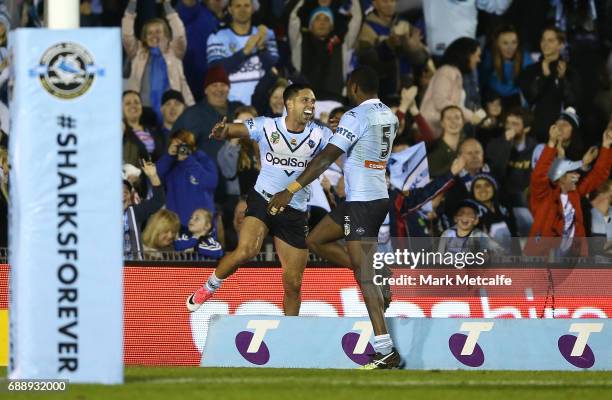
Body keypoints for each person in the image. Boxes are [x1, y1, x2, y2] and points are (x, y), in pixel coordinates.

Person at [268, 66, 402, 369]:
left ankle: (385, 349)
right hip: (370, 196)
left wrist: (290, 189)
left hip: (363, 202)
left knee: (363, 276)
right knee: (316, 239)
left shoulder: (356, 116)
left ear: (354, 86)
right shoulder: (389, 115)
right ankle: (378, 278)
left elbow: (327, 157)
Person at [186, 83, 333, 316]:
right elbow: (236, 130)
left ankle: (289, 333)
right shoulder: (267, 125)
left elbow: (338, 154)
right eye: (306, 100)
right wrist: (223, 131)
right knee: (247, 250)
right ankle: (208, 287)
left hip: (294, 210)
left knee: (293, 283)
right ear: (290, 104)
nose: (311, 105)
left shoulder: (321, 134)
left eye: (313, 101)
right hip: (263, 200)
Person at [524, 126, 612, 257]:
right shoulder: (542, 196)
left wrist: (606, 146)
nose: (576, 175)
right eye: (569, 173)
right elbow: (538, 176)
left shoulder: (573, 193)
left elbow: (598, 175)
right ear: (559, 177)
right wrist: (551, 144)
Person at [122, 0, 194, 120]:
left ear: (166, 34)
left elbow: (180, 34)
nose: (154, 36)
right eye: (149, 33)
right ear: (144, 37)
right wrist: (132, 3)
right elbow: (126, 35)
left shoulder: (174, 51)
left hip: (171, 111)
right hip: (142, 111)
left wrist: (166, 4)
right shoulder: (137, 52)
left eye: (158, 32)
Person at [206, 0, 279, 105]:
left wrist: (261, 48)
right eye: (238, 6)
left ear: (253, 8)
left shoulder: (265, 34)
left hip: (262, 104)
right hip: (231, 105)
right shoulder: (218, 37)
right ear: (230, 9)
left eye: (246, 5)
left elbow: (275, 69)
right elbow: (215, 71)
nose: (242, 9)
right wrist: (244, 52)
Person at [355, 0, 428, 104]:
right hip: (379, 92)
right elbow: (366, 59)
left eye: (392, 1)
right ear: (375, 3)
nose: (389, 4)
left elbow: (421, 60)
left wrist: (413, 49)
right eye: (385, 1)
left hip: (408, 90)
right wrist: (387, 45)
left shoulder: (405, 24)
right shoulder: (367, 27)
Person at [519, 27, 581, 144]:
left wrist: (562, 79)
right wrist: (545, 76)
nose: (545, 44)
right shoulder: (530, 70)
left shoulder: (570, 72)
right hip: (536, 133)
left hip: (561, 134)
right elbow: (530, 97)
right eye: (543, 40)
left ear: (561, 45)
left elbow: (572, 102)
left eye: (551, 40)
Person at [420, 37, 487, 138]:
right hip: (430, 133)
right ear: (468, 55)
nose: (479, 60)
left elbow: (454, 104)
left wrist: (475, 116)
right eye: (477, 55)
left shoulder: (455, 73)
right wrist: (471, 116)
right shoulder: (447, 71)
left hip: (439, 132)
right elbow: (441, 101)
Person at [156, 129, 219, 226]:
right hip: (176, 225)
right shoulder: (169, 163)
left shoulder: (202, 159)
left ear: (191, 145)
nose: (180, 148)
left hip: (201, 226)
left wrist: (188, 160)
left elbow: (211, 183)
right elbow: (156, 177)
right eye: (176, 145)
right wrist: (168, 156)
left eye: (183, 145)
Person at [479, 24, 533, 108]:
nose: (510, 48)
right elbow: (481, 82)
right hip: (492, 98)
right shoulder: (489, 56)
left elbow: (530, 84)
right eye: (505, 43)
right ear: (497, 44)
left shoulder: (524, 56)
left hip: (514, 99)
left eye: (514, 42)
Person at [123, 159, 166, 260]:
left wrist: (153, 176)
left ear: (130, 198)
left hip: (135, 270)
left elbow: (158, 200)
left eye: (125, 192)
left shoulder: (135, 212)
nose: (122, 195)